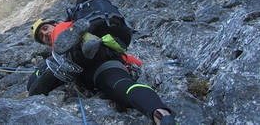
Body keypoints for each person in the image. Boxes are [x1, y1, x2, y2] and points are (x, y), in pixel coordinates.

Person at [27, 18, 178, 125]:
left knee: (60, 57)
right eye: (41, 36)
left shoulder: (64, 26)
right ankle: (161, 115)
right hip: (101, 69)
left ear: (55, 24)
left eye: (45, 29)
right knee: (123, 86)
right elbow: (125, 57)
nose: (45, 34)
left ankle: (71, 53)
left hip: (91, 64)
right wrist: (141, 64)